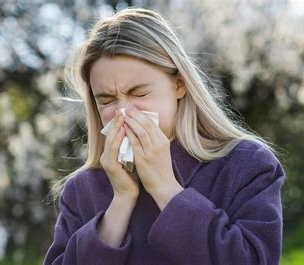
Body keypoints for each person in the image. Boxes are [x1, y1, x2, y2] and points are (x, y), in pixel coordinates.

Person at [44, 6, 286, 265]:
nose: (123, 112)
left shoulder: (246, 165)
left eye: (139, 93)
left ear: (179, 85)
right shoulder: (83, 190)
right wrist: (120, 202)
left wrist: (165, 188)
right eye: (107, 100)